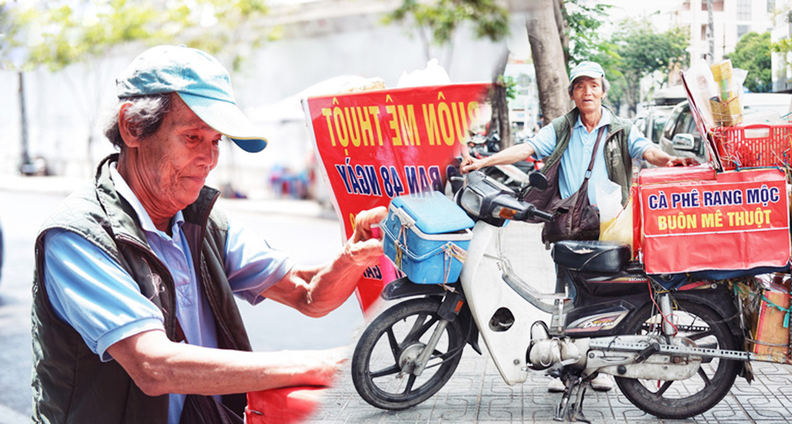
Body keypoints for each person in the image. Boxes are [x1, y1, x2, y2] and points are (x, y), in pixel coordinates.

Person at [31, 45, 387, 423]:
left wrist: (352, 258)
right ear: (133, 128)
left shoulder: (202, 220)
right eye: (192, 138)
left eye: (216, 141)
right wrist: (314, 363)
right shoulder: (78, 235)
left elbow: (308, 294)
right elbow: (153, 364)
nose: (209, 158)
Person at [461, 61, 699, 393]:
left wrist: (668, 160)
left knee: (601, 297)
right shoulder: (562, 128)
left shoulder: (622, 129)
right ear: (572, 93)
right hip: (569, 225)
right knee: (566, 296)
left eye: (593, 86)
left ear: (602, 91)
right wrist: (483, 161)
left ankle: (599, 366)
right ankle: (565, 368)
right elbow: (527, 149)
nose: (587, 92)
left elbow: (647, 151)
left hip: (609, 226)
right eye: (580, 86)